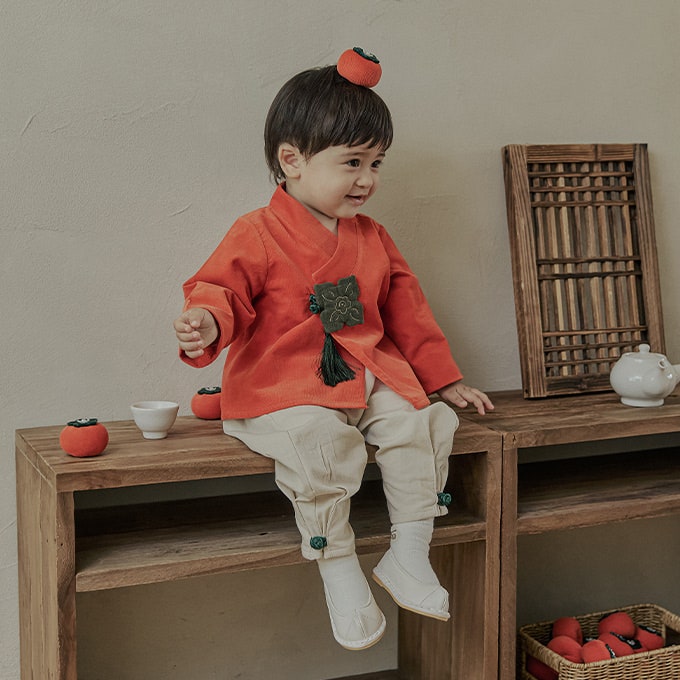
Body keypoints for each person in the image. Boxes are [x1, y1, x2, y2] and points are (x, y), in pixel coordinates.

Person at [174, 47, 494, 651]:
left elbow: (407, 310)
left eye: (376, 163)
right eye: (352, 162)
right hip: (284, 385)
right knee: (318, 441)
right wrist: (207, 322)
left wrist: (443, 379)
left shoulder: (373, 236)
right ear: (291, 160)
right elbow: (220, 288)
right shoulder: (256, 232)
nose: (367, 179)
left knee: (420, 419)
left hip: (366, 371)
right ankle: (338, 566)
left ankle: (410, 552)